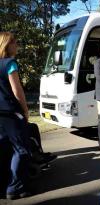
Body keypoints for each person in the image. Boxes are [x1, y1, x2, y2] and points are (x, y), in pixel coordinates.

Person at [0, 32, 31, 199]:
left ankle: (5, 183)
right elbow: (17, 91)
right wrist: (25, 110)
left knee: (4, 147)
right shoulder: (10, 63)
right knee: (21, 149)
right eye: (15, 43)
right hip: (10, 113)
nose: (17, 46)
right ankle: (15, 188)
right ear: (8, 44)